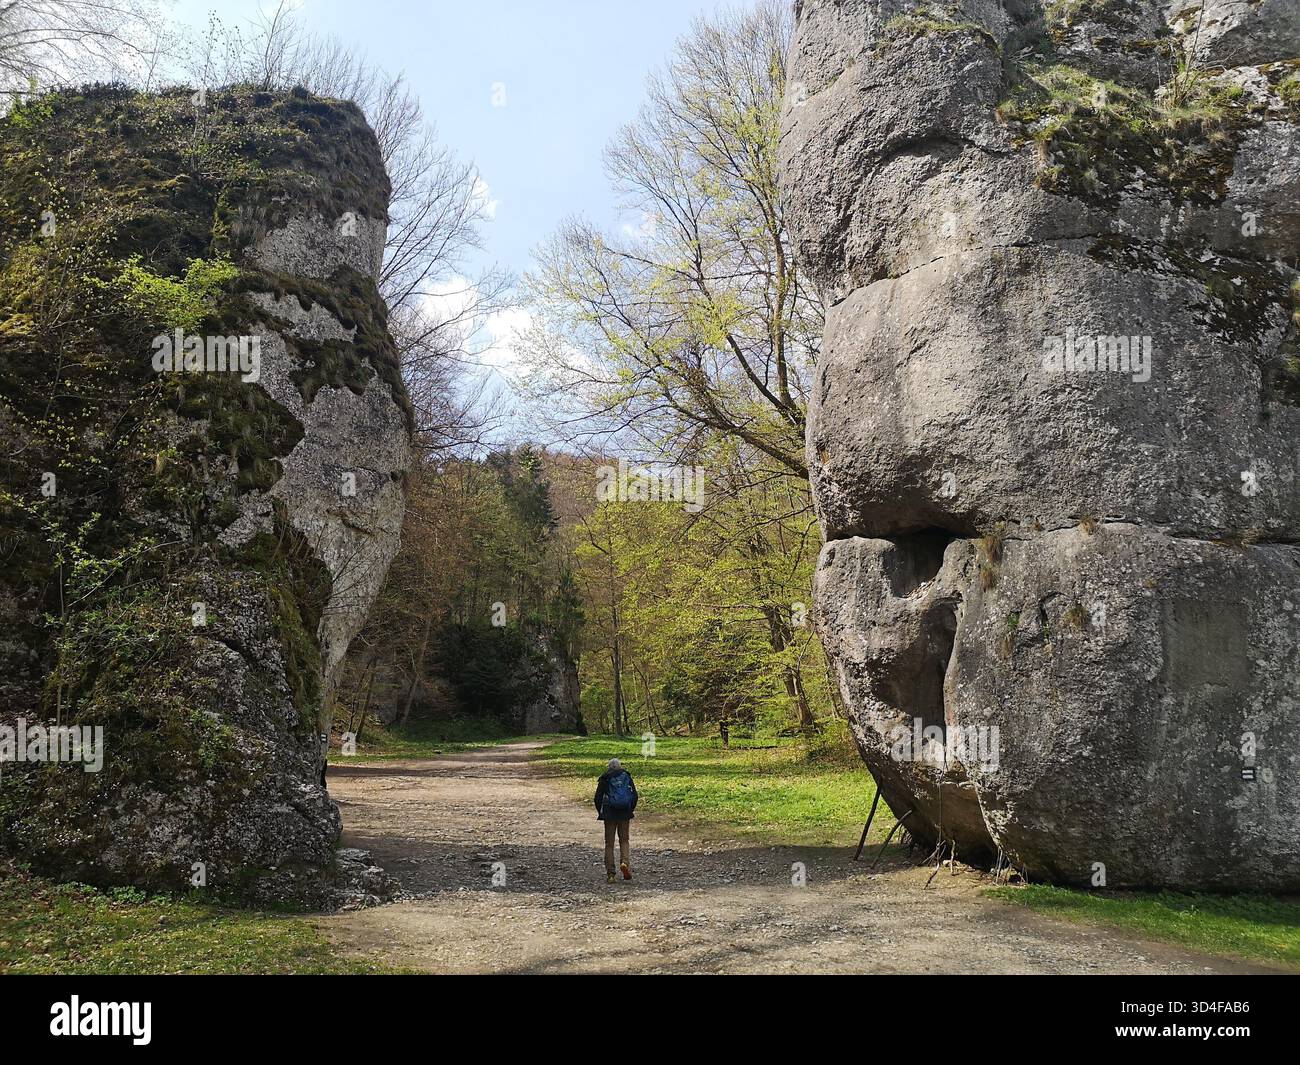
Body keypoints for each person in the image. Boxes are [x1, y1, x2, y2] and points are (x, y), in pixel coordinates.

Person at [594, 757, 638, 883]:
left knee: (609, 844)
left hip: (609, 814)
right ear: (619, 766)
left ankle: (611, 874)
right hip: (624, 813)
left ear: (609, 767)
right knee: (624, 840)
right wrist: (630, 809)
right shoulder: (626, 776)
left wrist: (601, 812)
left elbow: (597, 798)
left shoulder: (605, 778)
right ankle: (624, 862)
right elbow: (634, 795)